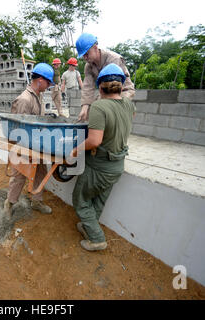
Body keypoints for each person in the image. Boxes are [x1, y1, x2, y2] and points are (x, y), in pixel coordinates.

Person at [70, 63, 136, 251]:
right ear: (121, 85)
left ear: (100, 86)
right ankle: (88, 227)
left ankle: (97, 238)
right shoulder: (129, 105)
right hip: (117, 166)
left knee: (80, 199)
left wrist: (74, 151)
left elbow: (94, 141)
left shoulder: (99, 106)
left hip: (99, 167)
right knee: (98, 200)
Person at [4, 63, 54, 217]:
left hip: (36, 144)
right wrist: (24, 150)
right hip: (23, 145)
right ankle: (9, 204)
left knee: (40, 171)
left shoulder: (36, 97)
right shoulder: (24, 100)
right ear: (40, 80)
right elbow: (18, 128)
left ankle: (37, 201)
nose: (48, 86)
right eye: (48, 82)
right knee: (19, 175)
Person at [76, 33, 135, 122]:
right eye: (83, 55)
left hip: (122, 91)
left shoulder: (113, 59)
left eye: (87, 54)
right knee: (91, 110)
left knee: (107, 112)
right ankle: (94, 132)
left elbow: (113, 89)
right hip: (105, 91)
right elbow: (88, 87)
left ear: (95, 48)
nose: (85, 57)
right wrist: (85, 107)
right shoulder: (89, 66)